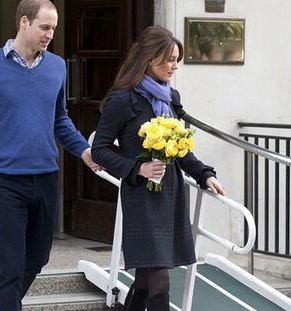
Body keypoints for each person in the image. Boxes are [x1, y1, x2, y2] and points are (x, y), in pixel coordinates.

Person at [0, 0, 100, 310]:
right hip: (5, 182)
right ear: (24, 23)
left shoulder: (56, 67)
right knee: (11, 267)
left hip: (45, 177)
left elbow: (60, 119)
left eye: (53, 28)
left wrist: (84, 150)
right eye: (45, 27)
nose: (50, 34)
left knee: (37, 259)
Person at [91, 26, 226, 311]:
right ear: (148, 59)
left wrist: (204, 174)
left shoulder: (171, 97)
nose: (173, 66)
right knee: (160, 281)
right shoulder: (122, 99)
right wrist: (137, 168)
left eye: (177, 59)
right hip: (141, 196)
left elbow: (180, 149)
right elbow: (100, 149)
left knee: (145, 280)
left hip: (170, 193)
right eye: (167, 59)